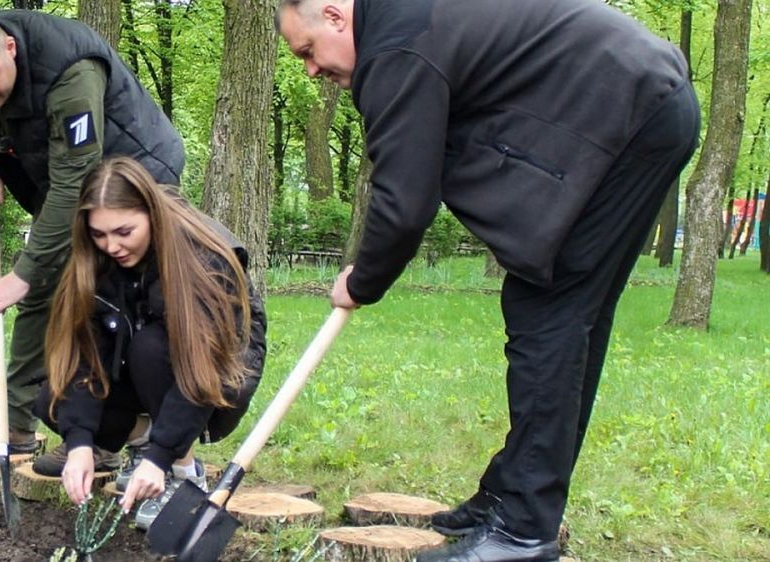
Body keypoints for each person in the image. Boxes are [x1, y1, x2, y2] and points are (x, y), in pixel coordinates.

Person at [276, 0, 699, 560]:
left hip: (629, 110)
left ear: (334, 17)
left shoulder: (396, 48)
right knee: (568, 313)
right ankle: (511, 495)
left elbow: (406, 202)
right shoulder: (407, 23)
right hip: (637, 103)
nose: (311, 70)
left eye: (307, 51)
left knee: (551, 311)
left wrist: (362, 282)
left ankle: (522, 531)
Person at [0, 7, 185, 477]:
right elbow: (1, 117)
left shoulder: (71, 73)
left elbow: (76, 181)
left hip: (138, 176)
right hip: (72, 179)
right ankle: (14, 423)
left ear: (10, 48)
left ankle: (112, 435)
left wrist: (24, 273)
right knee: (41, 291)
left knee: (106, 301)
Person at [32, 156, 267, 531]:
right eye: (99, 234)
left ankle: (183, 473)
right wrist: (78, 445)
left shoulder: (202, 259)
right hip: (140, 363)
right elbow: (84, 356)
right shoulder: (96, 260)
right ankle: (145, 441)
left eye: (124, 232)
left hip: (216, 378)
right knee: (52, 399)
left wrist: (163, 457)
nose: (112, 246)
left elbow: (203, 371)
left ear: (151, 214)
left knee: (150, 347)